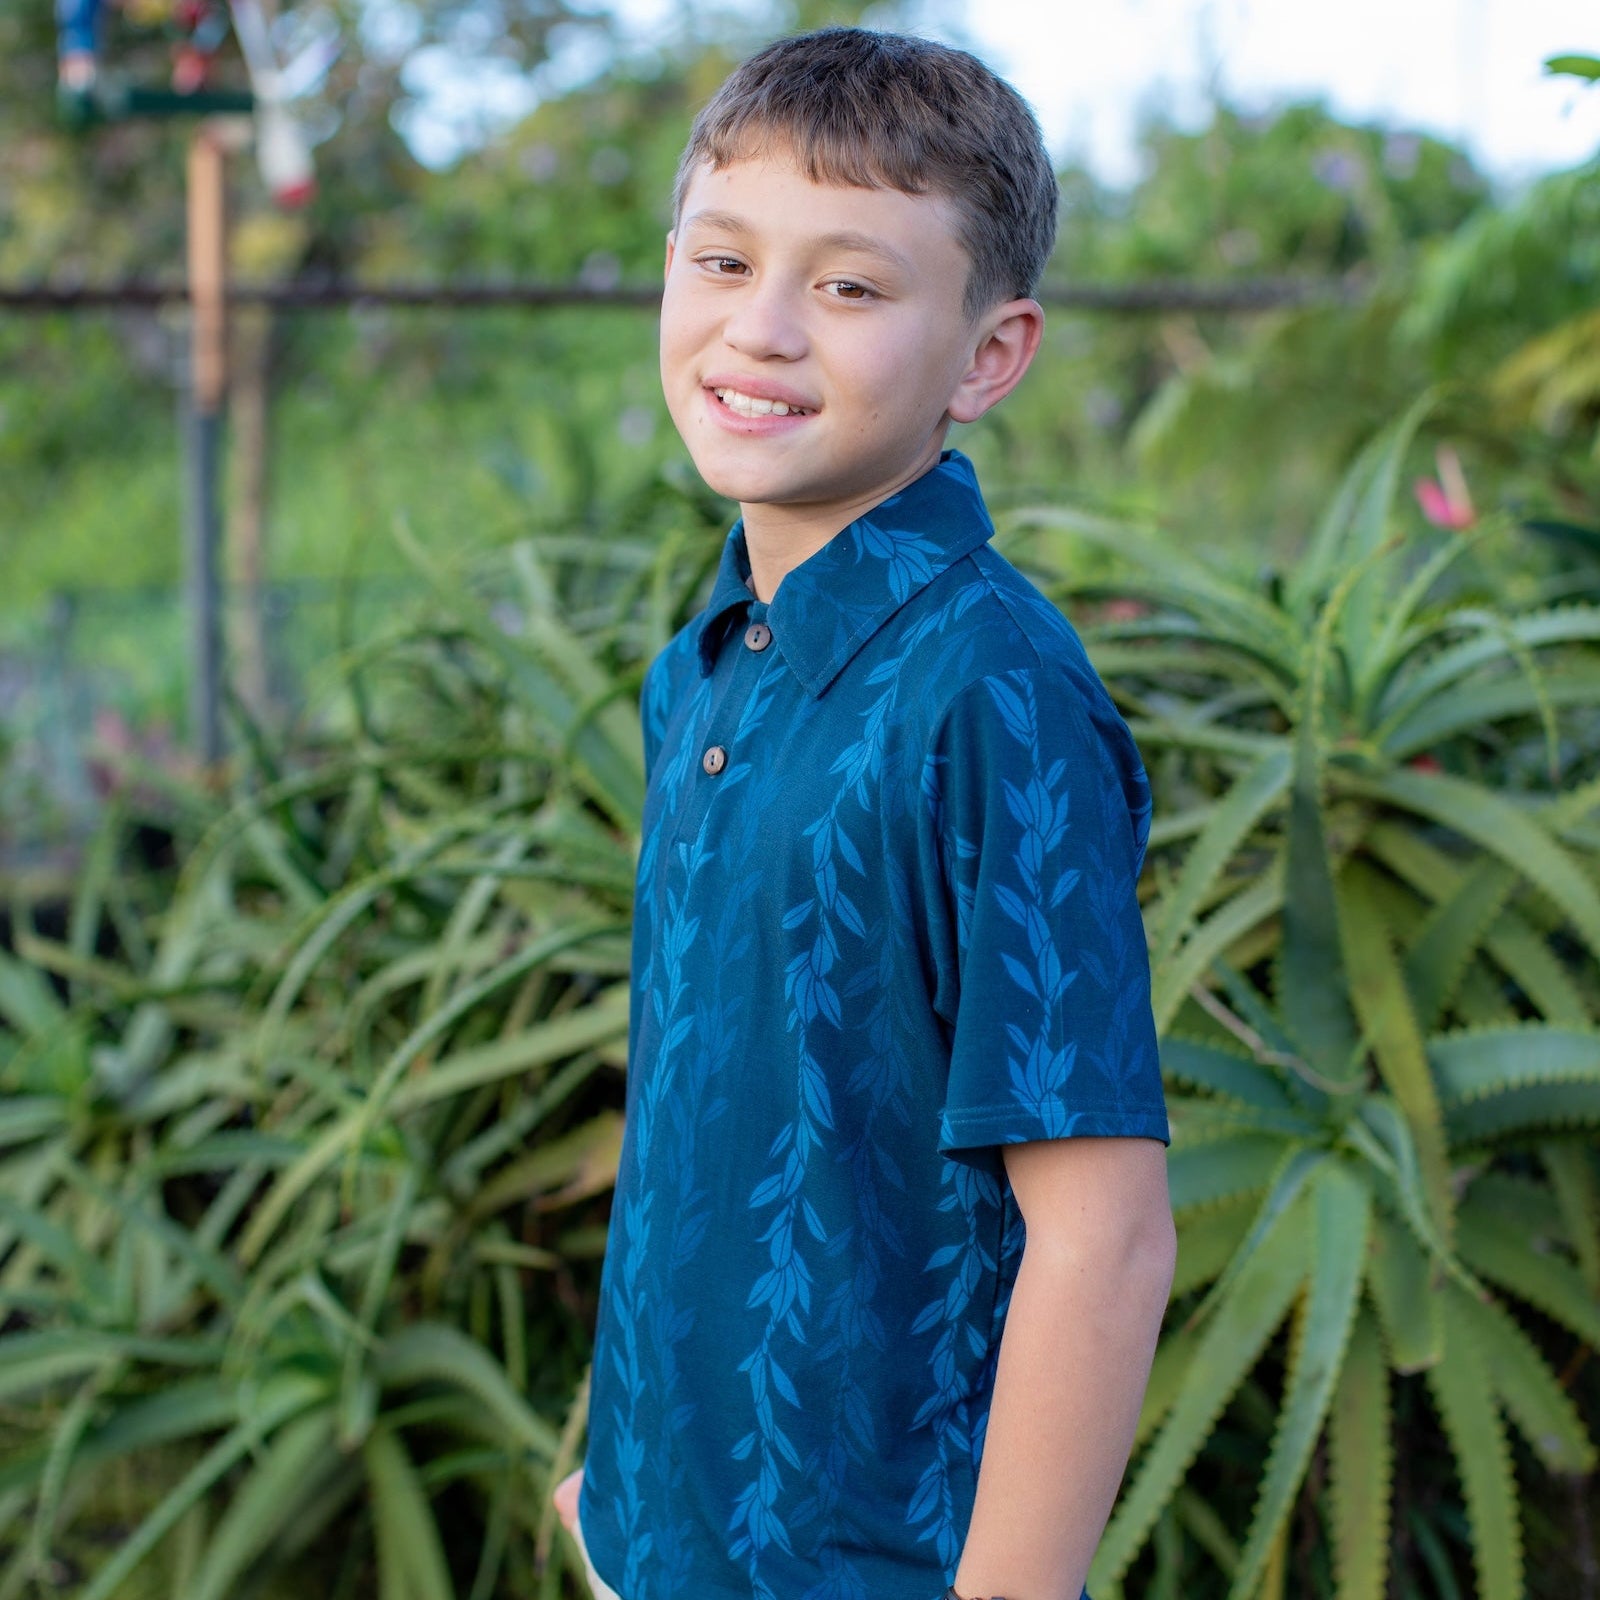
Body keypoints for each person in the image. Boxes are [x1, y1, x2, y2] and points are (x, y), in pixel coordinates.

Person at [553, 27, 1175, 1600]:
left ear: (988, 353)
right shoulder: (699, 672)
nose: (758, 331)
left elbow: (1103, 1243)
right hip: (665, 1543)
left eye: (849, 286)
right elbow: (740, 1100)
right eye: (721, 259)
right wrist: (618, 1482)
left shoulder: (993, 692)